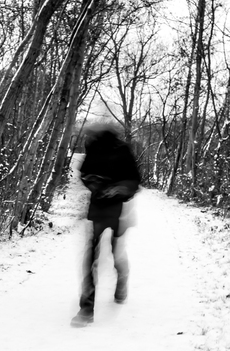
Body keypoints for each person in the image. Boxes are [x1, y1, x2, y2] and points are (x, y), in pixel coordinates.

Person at [71, 121, 141, 328]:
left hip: (118, 210)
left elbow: (135, 181)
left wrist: (118, 188)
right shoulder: (92, 148)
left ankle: (122, 280)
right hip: (97, 208)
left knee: (115, 251)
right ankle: (86, 309)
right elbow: (84, 174)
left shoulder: (122, 150)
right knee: (90, 255)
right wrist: (94, 183)